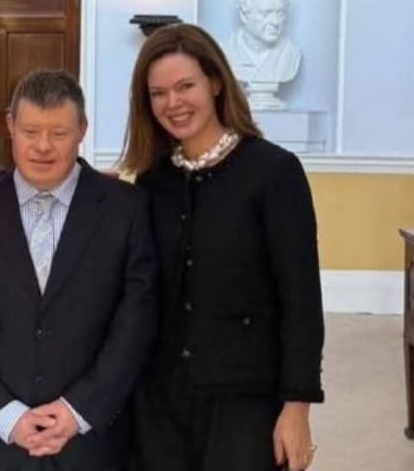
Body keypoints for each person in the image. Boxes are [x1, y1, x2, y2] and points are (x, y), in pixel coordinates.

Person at [121, 23, 323, 471]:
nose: (173, 103)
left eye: (185, 86)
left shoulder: (274, 173)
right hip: (160, 401)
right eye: (158, 93)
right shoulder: (152, 183)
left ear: (214, 82)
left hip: (244, 400)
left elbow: (302, 299)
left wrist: (297, 407)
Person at [0, 70, 158, 471]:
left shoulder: (127, 209)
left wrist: (79, 410)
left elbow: (135, 322)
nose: (42, 146)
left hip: (94, 446)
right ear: (10, 126)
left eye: (58, 133)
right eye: (30, 131)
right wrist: (5, 414)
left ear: (82, 130)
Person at [222, 0, 301, 110]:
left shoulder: (290, 54)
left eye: (280, 13)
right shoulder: (224, 52)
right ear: (244, 15)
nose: (275, 22)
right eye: (266, 13)